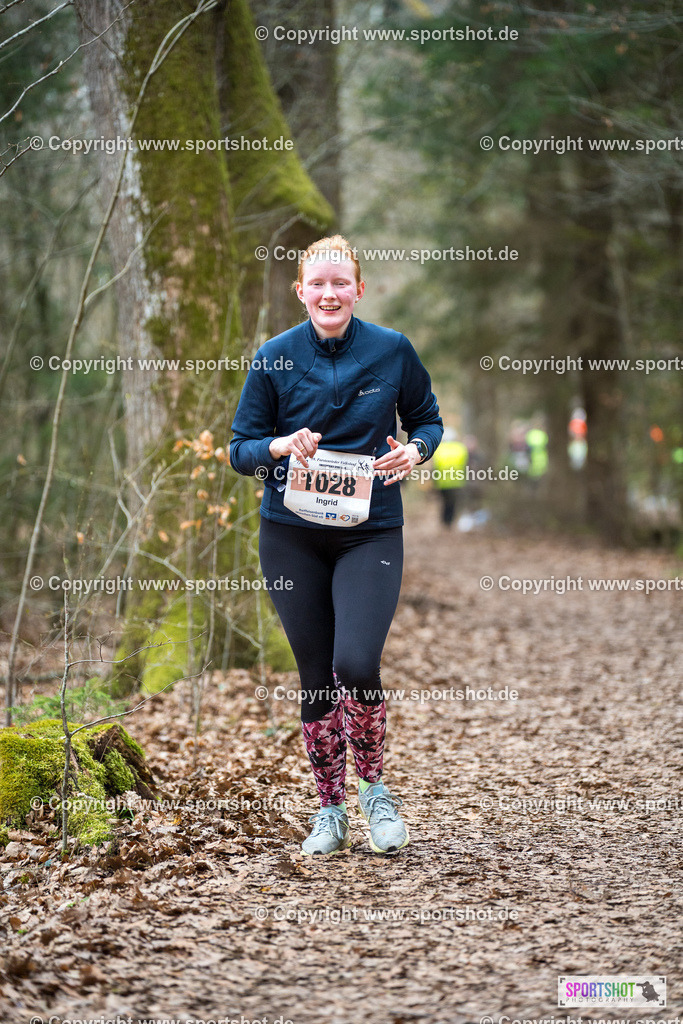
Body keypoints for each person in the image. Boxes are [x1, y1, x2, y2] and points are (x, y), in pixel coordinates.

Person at [229, 235, 443, 856]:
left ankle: (375, 791)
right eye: (317, 283)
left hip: (370, 530)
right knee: (316, 676)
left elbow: (427, 418)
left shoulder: (392, 351)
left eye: (340, 283)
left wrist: (416, 449)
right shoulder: (272, 357)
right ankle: (329, 809)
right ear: (300, 291)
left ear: (359, 289)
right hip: (291, 535)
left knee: (355, 662)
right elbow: (241, 448)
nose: (329, 293)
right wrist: (276, 446)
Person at [432, 428, 469, 527]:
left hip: (442, 482)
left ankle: (444, 521)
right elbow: (466, 464)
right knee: (453, 503)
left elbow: (435, 467)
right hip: (457, 482)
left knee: (445, 502)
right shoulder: (461, 448)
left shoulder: (439, 449)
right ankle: (450, 521)